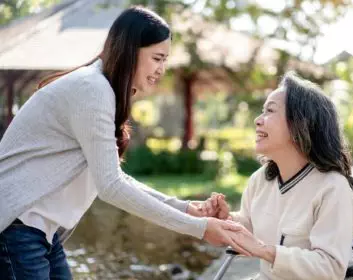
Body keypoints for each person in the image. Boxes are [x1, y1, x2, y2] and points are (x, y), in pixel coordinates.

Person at [0, 6, 248, 280]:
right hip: (16, 227)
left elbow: (116, 178)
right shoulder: (92, 90)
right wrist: (199, 227)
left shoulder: (100, 89)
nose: (161, 69)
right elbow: (111, 187)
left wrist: (187, 207)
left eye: (165, 60)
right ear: (131, 50)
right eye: (157, 58)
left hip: (38, 233)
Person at [204, 72, 353, 279]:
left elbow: (330, 268)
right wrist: (224, 220)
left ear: (300, 124)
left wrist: (265, 251)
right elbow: (248, 229)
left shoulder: (333, 189)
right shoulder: (260, 180)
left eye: (269, 111)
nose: (257, 120)